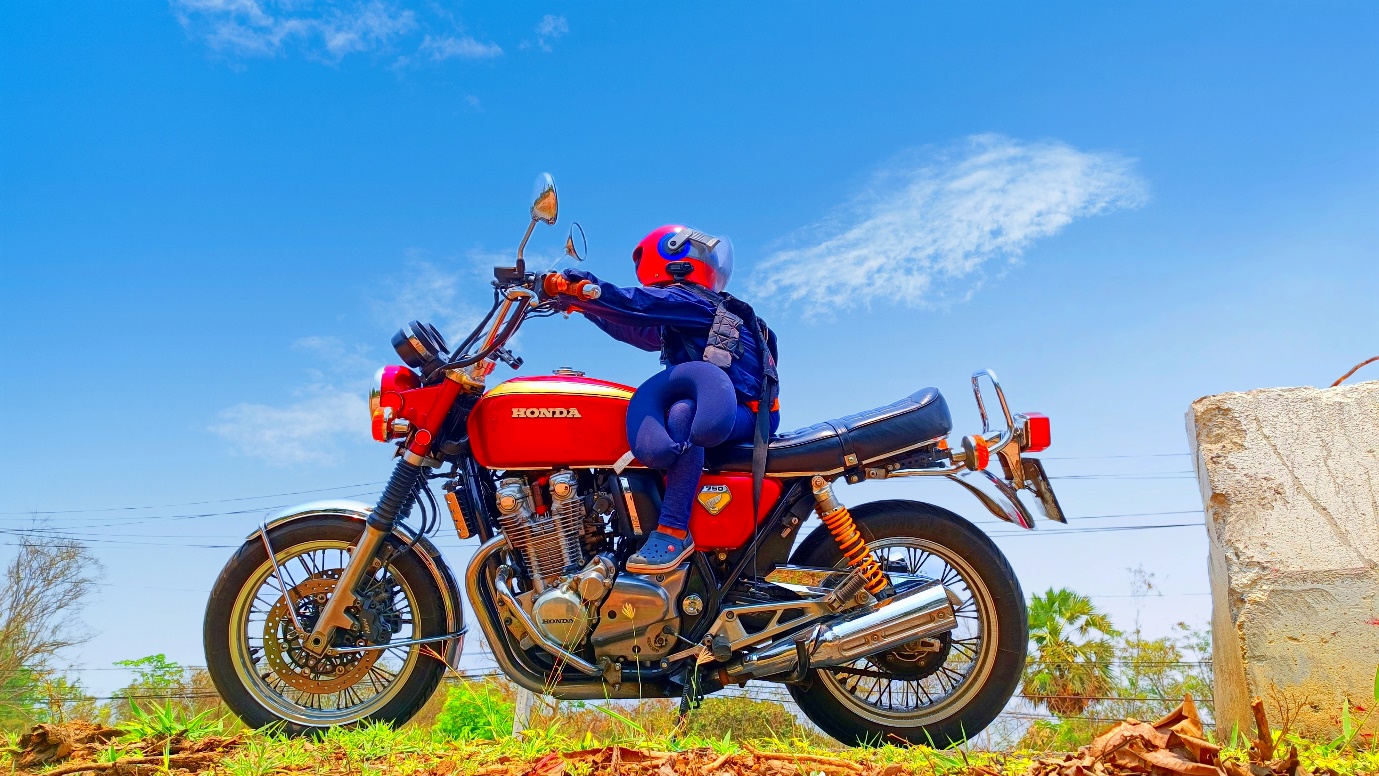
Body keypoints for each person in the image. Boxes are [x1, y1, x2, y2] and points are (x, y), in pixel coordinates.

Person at [544, 225, 779, 573]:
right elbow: (638, 329)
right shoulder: (696, 310)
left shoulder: (692, 301)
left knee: (683, 412)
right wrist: (585, 307)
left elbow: (638, 306)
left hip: (744, 415)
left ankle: (673, 531)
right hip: (736, 410)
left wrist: (581, 286)